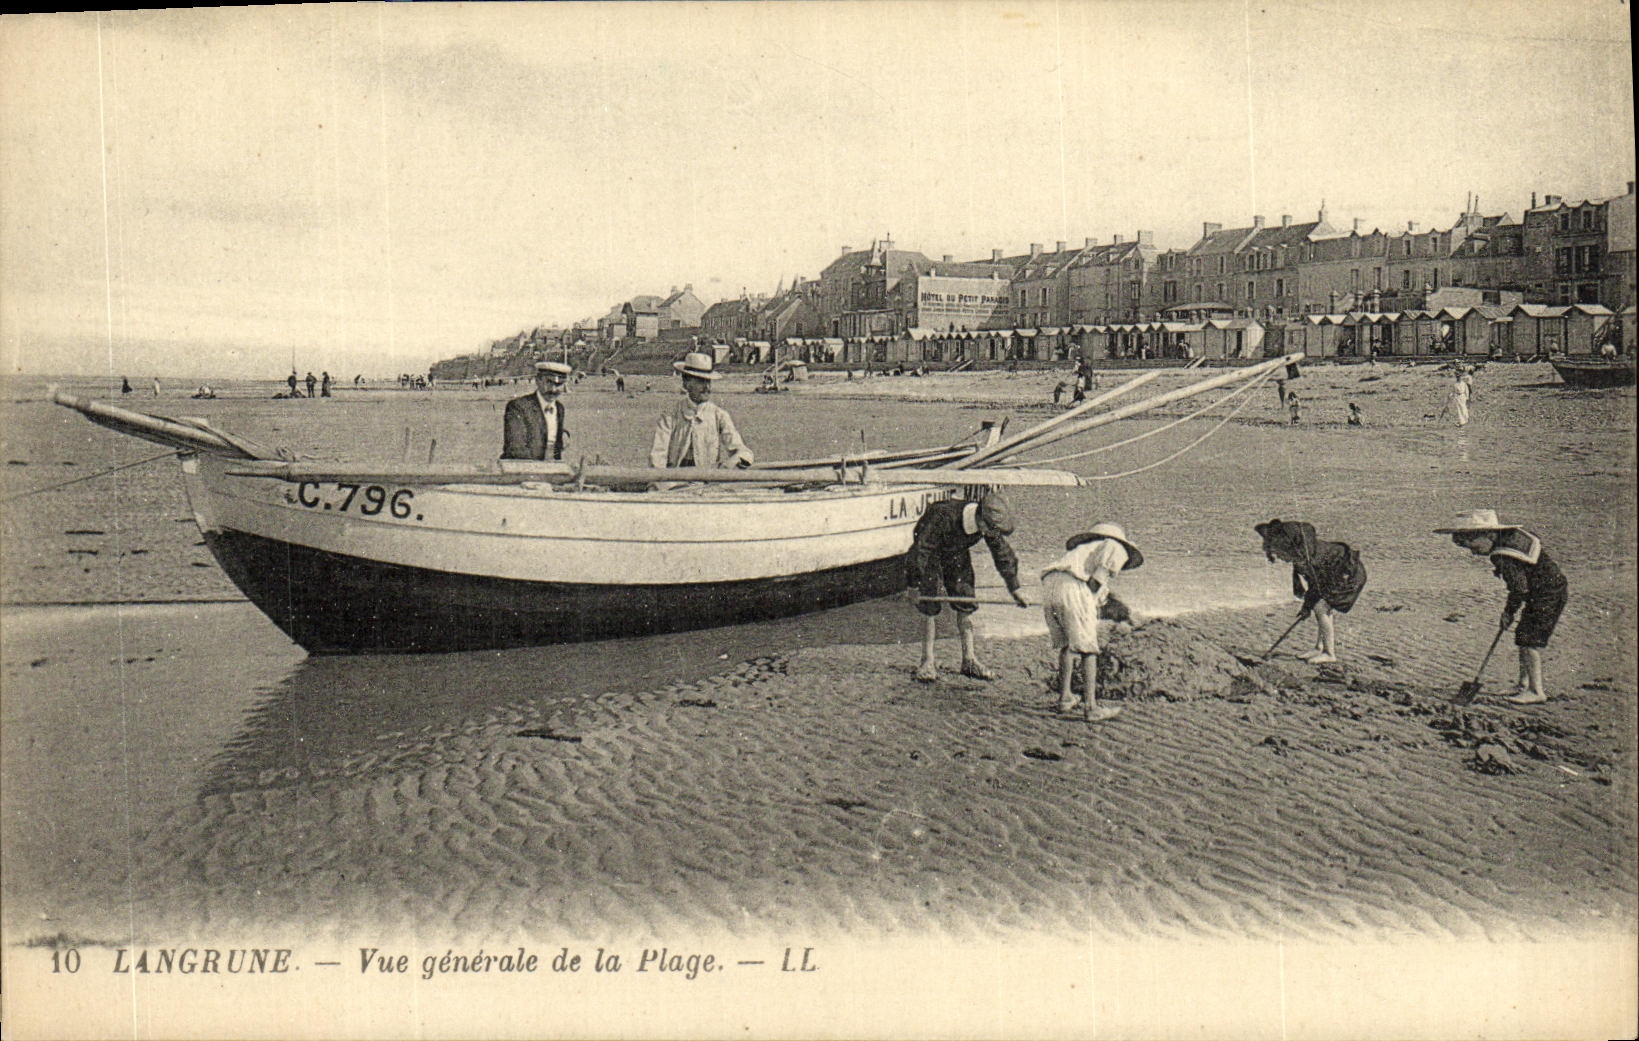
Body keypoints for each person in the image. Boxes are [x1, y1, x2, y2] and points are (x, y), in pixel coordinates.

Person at [1436, 510, 1567, 705]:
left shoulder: (1502, 556)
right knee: (1523, 636)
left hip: (1546, 594)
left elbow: (1519, 589)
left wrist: (1508, 612)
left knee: (1529, 640)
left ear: (1488, 535)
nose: (1472, 552)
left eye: (1472, 545)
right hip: (1548, 588)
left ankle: (1535, 690)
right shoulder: (1511, 537)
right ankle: (1522, 685)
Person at [905, 490, 1028, 683]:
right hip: (930, 552)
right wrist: (913, 585)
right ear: (980, 520)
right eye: (990, 531)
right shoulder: (944, 516)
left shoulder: (987, 523)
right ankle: (927, 661)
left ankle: (969, 659)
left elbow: (1002, 553)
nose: (991, 535)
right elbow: (920, 550)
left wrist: (1015, 588)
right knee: (929, 603)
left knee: (965, 598)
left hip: (956, 550)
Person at [1040, 523, 1144, 722]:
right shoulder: (1116, 548)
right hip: (1073, 587)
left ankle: (1065, 698)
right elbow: (1095, 583)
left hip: (1050, 585)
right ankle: (1092, 707)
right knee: (1089, 649)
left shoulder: (1084, 550)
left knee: (1068, 645)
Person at [1255, 519, 1367, 665]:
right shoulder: (1302, 558)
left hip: (1349, 574)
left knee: (1321, 607)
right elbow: (1314, 585)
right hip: (1337, 575)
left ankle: (1329, 653)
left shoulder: (1310, 558)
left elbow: (1317, 586)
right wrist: (1306, 607)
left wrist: (1308, 606)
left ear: (1288, 549)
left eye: (1280, 553)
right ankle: (1320, 648)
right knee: (1322, 607)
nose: (1281, 558)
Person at [650, 352, 754, 469]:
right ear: (686, 383)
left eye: (708, 381)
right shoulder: (671, 415)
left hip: (708, 482)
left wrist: (731, 463)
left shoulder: (719, 415)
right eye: (700, 381)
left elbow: (740, 449)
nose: (707, 388)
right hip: (675, 482)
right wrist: (664, 482)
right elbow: (658, 456)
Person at [502, 361, 572, 461]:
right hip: (521, 469)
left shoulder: (559, 408)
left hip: (552, 469)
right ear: (538, 381)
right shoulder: (518, 407)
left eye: (559, 384)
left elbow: (545, 428)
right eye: (548, 382)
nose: (553, 389)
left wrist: (563, 434)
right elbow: (515, 448)